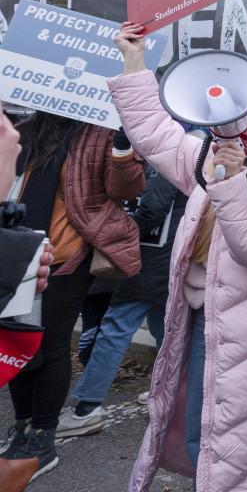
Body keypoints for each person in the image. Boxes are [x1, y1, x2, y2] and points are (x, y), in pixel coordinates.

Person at [107, 22, 247, 492]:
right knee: (201, 438)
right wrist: (134, 63)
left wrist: (233, 180)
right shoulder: (212, 159)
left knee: (237, 451)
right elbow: (156, 134)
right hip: (200, 316)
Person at [0, 112, 145, 482]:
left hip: (64, 256)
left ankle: (42, 439)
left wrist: (123, 146)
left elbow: (126, 189)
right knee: (17, 341)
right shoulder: (24, 128)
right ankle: (23, 428)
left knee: (49, 346)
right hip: (16, 252)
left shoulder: (99, 131)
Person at [58, 162, 188, 438]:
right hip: (165, 263)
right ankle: (168, 394)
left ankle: (87, 409)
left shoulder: (164, 162)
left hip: (148, 263)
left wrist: (116, 238)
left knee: (115, 331)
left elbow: (152, 208)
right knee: (165, 331)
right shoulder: (175, 158)